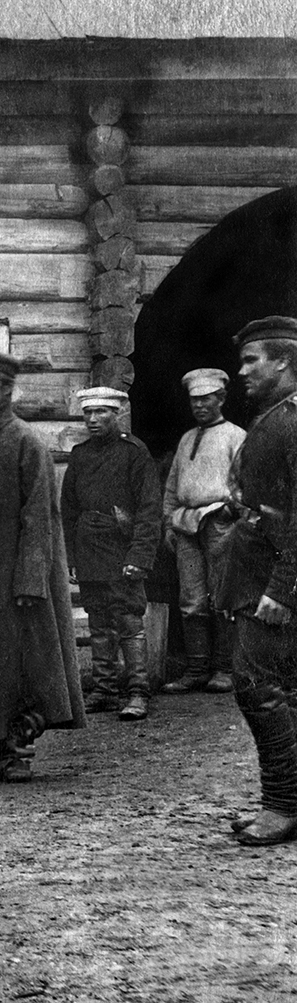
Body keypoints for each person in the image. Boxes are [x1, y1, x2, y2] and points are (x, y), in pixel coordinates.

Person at [0, 351, 84, 782]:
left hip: (14, 572)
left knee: (18, 662)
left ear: (7, 389)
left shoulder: (26, 441)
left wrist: (30, 577)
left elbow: (41, 515)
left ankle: (14, 750)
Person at [218, 317, 297, 846]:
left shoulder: (289, 422)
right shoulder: (274, 418)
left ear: (284, 361)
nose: (242, 370)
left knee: (256, 684)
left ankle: (284, 805)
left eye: (253, 360)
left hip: (276, 581)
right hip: (264, 572)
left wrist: (282, 588)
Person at [62, 385, 163, 721]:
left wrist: (139, 557)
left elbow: (149, 510)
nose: (93, 419)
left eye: (101, 412)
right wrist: (71, 558)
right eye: (88, 412)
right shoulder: (79, 454)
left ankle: (137, 691)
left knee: (129, 621)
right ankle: (104, 690)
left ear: (116, 414)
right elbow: (69, 511)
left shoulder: (134, 453)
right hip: (89, 549)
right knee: (99, 622)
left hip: (122, 549)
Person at [160, 368, 246, 694]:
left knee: (222, 596)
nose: (199, 406)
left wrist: (228, 512)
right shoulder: (185, 438)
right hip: (185, 524)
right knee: (191, 600)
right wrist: (169, 521)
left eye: (206, 399)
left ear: (221, 399)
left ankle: (225, 669)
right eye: (194, 400)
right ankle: (196, 669)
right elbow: (172, 486)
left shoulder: (236, 435)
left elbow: (247, 483)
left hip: (219, 522)